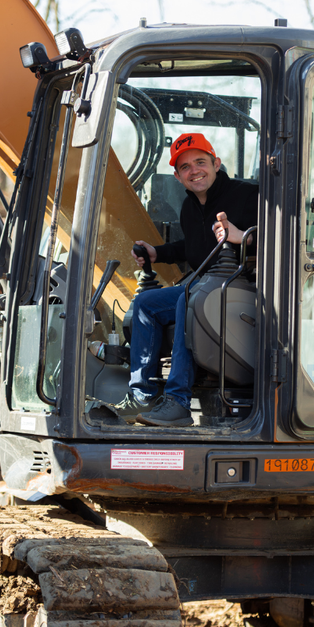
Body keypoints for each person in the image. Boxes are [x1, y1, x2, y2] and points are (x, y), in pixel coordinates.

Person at [117, 133, 257, 427]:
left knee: (187, 298)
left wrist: (243, 237)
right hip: (207, 287)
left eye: (200, 162)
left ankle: (178, 402)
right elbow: (191, 247)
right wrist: (158, 253)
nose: (195, 170)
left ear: (216, 163)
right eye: (185, 167)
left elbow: (285, 237)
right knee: (146, 304)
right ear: (178, 176)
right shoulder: (189, 207)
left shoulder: (248, 196)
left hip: (244, 288)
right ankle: (143, 395)